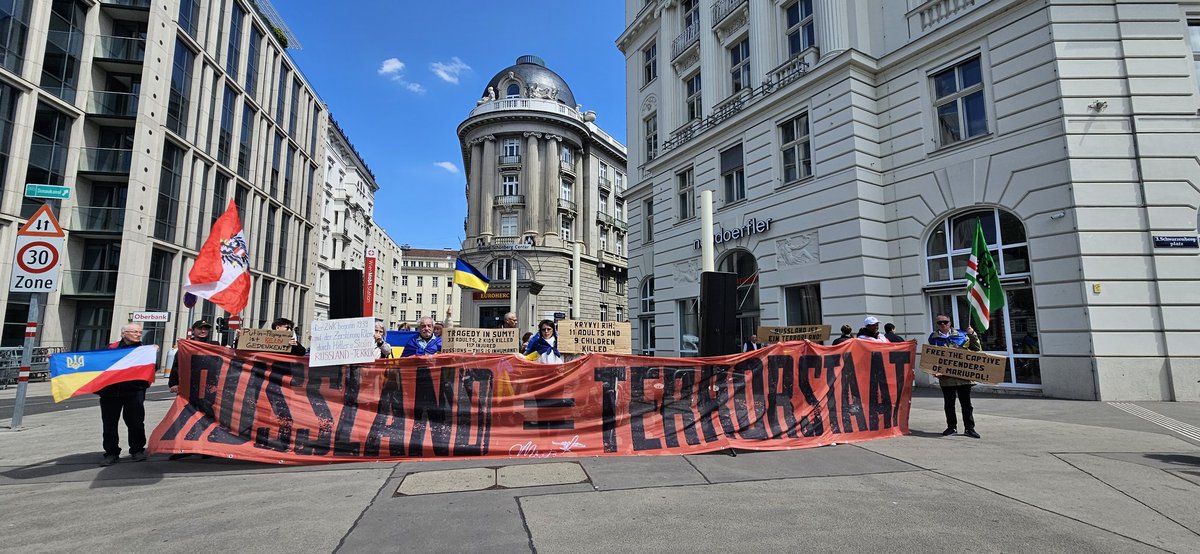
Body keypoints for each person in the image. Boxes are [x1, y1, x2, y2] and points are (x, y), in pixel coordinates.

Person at [98, 323, 151, 466]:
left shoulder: (144, 351)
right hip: (110, 394)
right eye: (134, 332)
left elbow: (152, 369)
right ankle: (111, 453)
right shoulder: (110, 349)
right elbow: (94, 363)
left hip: (133, 392)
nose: (138, 334)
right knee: (109, 425)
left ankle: (137, 450)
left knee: (136, 423)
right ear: (124, 334)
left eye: (140, 332)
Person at [928, 315, 982, 439]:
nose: (942, 324)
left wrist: (972, 334)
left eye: (945, 322)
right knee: (949, 404)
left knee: (966, 404)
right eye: (939, 322)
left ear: (950, 323)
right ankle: (951, 427)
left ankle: (970, 428)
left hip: (963, 377)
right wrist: (933, 370)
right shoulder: (933, 338)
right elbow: (931, 357)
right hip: (946, 378)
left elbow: (976, 349)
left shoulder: (962, 335)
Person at [170, 320, 214, 394]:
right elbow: (177, 365)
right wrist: (173, 383)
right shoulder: (186, 347)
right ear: (193, 331)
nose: (203, 331)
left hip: (209, 386)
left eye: (206, 329)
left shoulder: (214, 346)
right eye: (200, 329)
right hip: (189, 385)